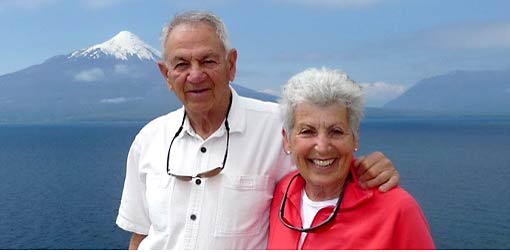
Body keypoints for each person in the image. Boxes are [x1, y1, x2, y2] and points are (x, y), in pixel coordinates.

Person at [116, 11, 400, 250]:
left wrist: (369, 169)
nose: (195, 75)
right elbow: (140, 234)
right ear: (166, 75)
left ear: (231, 65)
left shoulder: (279, 127)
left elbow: (327, 167)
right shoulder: (149, 139)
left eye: (208, 61)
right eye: (181, 64)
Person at [267, 67, 434, 249]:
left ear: (355, 137)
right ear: (287, 140)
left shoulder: (398, 210)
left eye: (336, 131)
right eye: (307, 131)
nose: (322, 147)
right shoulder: (282, 192)